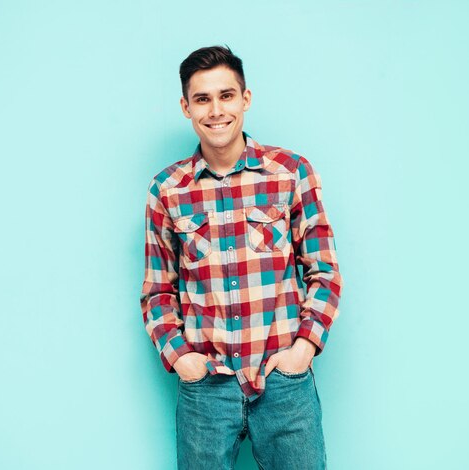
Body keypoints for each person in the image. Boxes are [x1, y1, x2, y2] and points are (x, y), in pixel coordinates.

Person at [140, 45, 343, 470]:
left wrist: (303, 349)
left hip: (284, 384)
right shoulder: (167, 189)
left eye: (226, 95)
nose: (216, 110)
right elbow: (158, 289)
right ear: (186, 107)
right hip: (205, 390)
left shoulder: (291, 172)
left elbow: (324, 271)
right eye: (202, 99)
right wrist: (181, 358)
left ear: (245, 99)